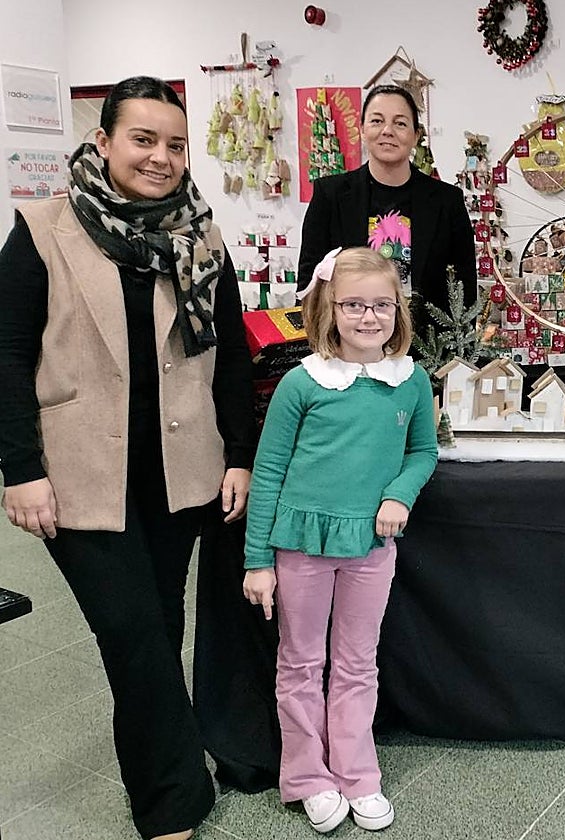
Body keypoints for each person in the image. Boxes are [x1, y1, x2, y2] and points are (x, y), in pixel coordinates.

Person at [0, 76, 255, 840]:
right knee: (132, 634)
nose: (161, 157)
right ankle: (173, 805)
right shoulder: (43, 229)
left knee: (155, 629)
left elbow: (233, 358)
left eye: (175, 144)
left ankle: (176, 768)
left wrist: (238, 454)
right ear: (104, 140)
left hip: (180, 472)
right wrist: (20, 470)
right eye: (143, 139)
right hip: (79, 472)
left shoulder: (199, 236)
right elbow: (6, 355)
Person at [241, 247, 438, 834]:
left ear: (397, 311)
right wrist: (257, 561)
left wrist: (399, 494)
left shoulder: (410, 380)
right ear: (329, 308)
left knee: (357, 663)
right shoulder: (301, 384)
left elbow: (423, 451)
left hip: (371, 549)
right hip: (301, 545)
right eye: (353, 305)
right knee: (301, 661)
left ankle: (357, 771)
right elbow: (269, 471)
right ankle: (305, 775)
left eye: (381, 305)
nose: (368, 317)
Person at [297, 84, 476, 337]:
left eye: (400, 123)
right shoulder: (331, 196)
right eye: (377, 121)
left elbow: (465, 288)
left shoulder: (447, 201)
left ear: (416, 135)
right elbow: (309, 281)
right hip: (347, 347)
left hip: (428, 351)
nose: (387, 131)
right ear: (362, 130)